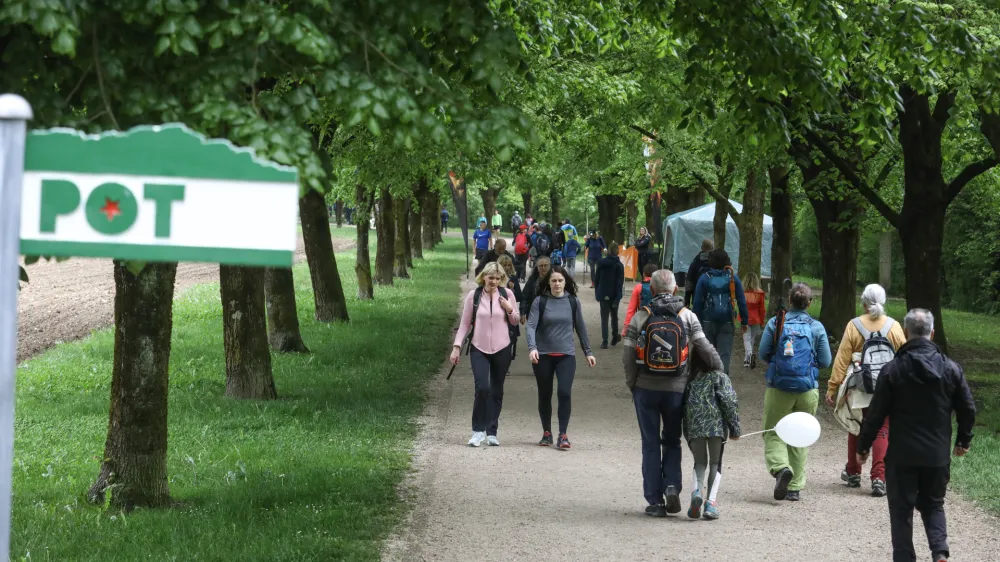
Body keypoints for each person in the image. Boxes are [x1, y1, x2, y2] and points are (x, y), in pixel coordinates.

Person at [856, 309, 975, 562]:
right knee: (933, 504)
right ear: (932, 333)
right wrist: (963, 440)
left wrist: (863, 447)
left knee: (901, 511)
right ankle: (940, 553)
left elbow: (875, 414)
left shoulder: (892, 370)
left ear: (906, 333)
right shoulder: (951, 369)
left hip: (902, 456)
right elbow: (968, 408)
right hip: (936, 456)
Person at [623, 269, 724, 517]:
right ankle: (672, 486)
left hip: (645, 389)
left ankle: (654, 501)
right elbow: (705, 348)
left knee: (649, 443)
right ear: (676, 289)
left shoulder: (641, 316)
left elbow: (627, 355)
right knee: (671, 440)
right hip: (677, 390)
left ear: (652, 290)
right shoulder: (688, 316)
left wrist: (632, 383)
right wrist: (720, 372)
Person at [827, 284, 906, 497]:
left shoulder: (854, 326)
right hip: (887, 385)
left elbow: (842, 359)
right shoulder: (894, 327)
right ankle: (879, 477)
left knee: (856, 426)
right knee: (882, 428)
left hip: (859, 385)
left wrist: (833, 387)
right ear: (884, 302)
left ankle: (853, 472)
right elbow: (905, 357)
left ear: (863, 303)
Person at [757, 283, 832, 502]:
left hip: (778, 388)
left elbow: (763, 353)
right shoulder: (816, 327)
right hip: (807, 390)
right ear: (810, 303)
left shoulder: (776, 323)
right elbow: (826, 360)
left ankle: (781, 468)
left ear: (789, 300)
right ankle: (795, 487)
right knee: (800, 436)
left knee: (773, 431)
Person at [450, 262, 520, 447]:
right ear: (484, 277)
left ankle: (492, 432)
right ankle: (477, 431)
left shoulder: (508, 294)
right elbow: (465, 324)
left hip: (502, 348)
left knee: (497, 390)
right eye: (491, 278)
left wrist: (509, 308)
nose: (494, 281)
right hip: (478, 348)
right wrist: (456, 346)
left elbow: (515, 320)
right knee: (482, 388)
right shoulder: (474, 296)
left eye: (498, 278)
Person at [526, 266, 595, 450]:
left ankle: (563, 434)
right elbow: (531, 326)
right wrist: (532, 348)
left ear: (566, 282)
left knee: (564, 393)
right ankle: (547, 432)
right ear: (548, 282)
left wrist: (588, 352)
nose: (557, 284)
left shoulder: (573, 301)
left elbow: (581, 327)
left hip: (566, 355)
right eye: (554, 280)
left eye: (560, 280)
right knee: (545, 394)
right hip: (543, 356)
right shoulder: (540, 301)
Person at [683, 351, 741, 520]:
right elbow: (729, 402)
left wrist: (688, 433)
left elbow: (684, 408)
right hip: (716, 428)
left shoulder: (691, 381)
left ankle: (696, 493)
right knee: (716, 463)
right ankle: (711, 503)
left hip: (695, 427)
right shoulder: (720, 377)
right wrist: (735, 429)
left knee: (699, 462)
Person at [693, 249, 749, 374]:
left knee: (707, 354)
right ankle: (723, 384)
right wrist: (744, 321)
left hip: (708, 321)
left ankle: (707, 383)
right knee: (724, 354)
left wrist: (696, 323)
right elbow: (741, 301)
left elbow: (697, 303)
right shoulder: (733, 278)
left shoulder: (704, 278)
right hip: (727, 320)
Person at [594, 243, 625, 349]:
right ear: (617, 252)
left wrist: (597, 293)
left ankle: (605, 341)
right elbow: (620, 283)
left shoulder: (601, 263)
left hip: (603, 292)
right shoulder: (619, 265)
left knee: (604, 317)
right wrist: (618, 296)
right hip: (614, 293)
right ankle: (615, 336)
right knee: (614, 316)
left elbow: (596, 279)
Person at [497, 255, 524, 362]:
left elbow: (519, 296)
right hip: (497, 311)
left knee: (511, 338)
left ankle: (505, 361)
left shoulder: (513, 278)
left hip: (510, 312)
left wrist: (512, 290)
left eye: (509, 265)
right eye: (504, 265)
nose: (507, 267)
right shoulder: (494, 277)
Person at [622, 263, 659, 337]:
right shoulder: (660, 286)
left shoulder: (638, 287)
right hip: (658, 321)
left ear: (644, 274)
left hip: (642, 321)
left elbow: (631, 309)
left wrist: (626, 327)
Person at [742, 272, 767, 369]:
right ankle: (747, 358)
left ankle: (748, 356)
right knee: (751, 339)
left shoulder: (742, 293)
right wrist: (762, 321)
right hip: (756, 318)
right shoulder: (760, 293)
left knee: (746, 338)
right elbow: (762, 309)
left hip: (745, 318)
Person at [520, 256, 551, 324]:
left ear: (549, 266)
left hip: (550, 315)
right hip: (533, 314)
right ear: (537, 267)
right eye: (541, 266)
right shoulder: (532, 280)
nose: (543, 268)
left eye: (545, 265)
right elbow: (525, 296)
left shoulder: (555, 280)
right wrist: (522, 312)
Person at [685, 239, 714, 308]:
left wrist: (687, 301)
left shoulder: (696, 260)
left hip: (698, 297)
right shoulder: (717, 261)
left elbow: (689, 282)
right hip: (714, 299)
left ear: (702, 248)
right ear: (712, 248)